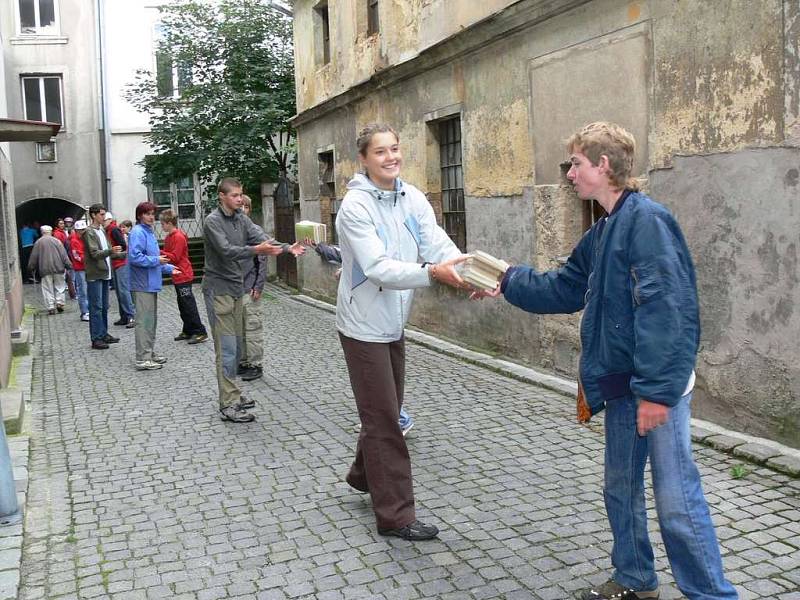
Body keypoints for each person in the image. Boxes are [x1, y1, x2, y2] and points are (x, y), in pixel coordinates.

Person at [473, 122, 737, 600]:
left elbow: (668, 312)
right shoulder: (603, 232)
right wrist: (505, 278)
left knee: (676, 502)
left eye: (575, 163)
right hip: (621, 386)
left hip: (657, 390)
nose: (570, 174)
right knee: (620, 490)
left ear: (603, 166)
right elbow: (564, 287)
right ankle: (636, 579)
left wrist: (657, 393)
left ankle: (712, 594)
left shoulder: (648, 222)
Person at [335, 123, 468, 541]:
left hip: (394, 321)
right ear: (364, 159)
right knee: (384, 419)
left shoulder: (412, 197)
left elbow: (436, 242)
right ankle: (395, 515)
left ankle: (362, 475)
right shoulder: (355, 208)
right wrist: (435, 274)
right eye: (380, 152)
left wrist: (467, 272)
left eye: (395, 149)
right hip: (362, 325)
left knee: (383, 412)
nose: (390, 157)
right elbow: (378, 268)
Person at [202, 177, 304, 423]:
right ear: (222, 196)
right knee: (226, 349)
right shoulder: (212, 221)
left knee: (236, 348)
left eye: (241, 195)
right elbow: (227, 251)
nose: (239, 199)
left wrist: (288, 247)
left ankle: (234, 395)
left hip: (237, 290)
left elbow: (262, 238)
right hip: (220, 292)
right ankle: (228, 404)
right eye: (235, 195)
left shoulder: (240, 219)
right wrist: (257, 250)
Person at [308, 238, 416, 436]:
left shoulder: (381, 236)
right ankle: (383, 421)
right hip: (368, 316)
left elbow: (378, 265)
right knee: (373, 379)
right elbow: (348, 255)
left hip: (378, 319)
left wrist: (432, 272)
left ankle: (398, 418)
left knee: (379, 378)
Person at [127, 202, 178, 371]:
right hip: (142, 284)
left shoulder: (148, 232)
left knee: (151, 321)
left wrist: (169, 268)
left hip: (150, 283)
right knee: (144, 321)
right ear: (140, 215)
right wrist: (157, 261)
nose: (151, 217)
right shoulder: (138, 232)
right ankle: (142, 358)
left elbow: (153, 258)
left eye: (152, 214)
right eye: (147, 214)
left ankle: (149, 352)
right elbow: (135, 257)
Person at [159, 209, 208, 345]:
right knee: (182, 304)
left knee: (188, 304)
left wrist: (158, 252)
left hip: (183, 274)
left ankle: (199, 331)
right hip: (176, 274)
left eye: (162, 224)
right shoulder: (169, 237)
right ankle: (188, 329)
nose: (161, 226)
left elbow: (175, 257)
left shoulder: (178, 237)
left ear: (169, 223)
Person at [83, 204, 124, 350]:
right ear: (93, 215)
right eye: (101, 214)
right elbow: (95, 253)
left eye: (104, 214)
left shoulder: (101, 230)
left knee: (104, 306)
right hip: (95, 274)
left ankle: (103, 333)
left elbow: (109, 252)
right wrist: (110, 250)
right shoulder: (89, 232)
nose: (103, 217)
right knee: (96, 307)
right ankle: (96, 338)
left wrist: (124, 254)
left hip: (105, 273)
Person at [237, 194, 267, 381]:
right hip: (235, 288)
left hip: (250, 287)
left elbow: (262, 260)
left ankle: (256, 364)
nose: (242, 210)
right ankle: (244, 361)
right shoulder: (230, 230)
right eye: (239, 206)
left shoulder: (255, 231)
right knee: (239, 329)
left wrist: (259, 285)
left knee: (253, 328)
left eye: (246, 207)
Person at [27, 225, 71, 315]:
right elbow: (64, 255)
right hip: (59, 268)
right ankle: (60, 303)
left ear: (41, 232)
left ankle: (51, 306)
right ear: (50, 232)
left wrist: (31, 267)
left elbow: (34, 257)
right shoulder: (57, 241)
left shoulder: (38, 242)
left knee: (47, 288)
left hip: (45, 269)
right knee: (60, 286)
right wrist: (68, 265)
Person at [105, 212, 135, 328]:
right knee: (119, 291)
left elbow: (122, 245)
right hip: (116, 262)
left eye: (104, 219)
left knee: (123, 290)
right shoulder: (109, 229)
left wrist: (113, 252)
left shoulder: (113, 229)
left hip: (121, 262)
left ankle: (131, 315)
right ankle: (124, 316)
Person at [69, 220, 90, 321]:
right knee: (83, 291)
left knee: (89, 290)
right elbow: (76, 256)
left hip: (88, 268)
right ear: (76, 231)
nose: (82, 232)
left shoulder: (86, 238)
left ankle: (89, 310)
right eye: (80, 230)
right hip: (80, 268)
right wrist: (88, 259)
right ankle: (85, 312)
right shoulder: (74, 240)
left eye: (84, 230)